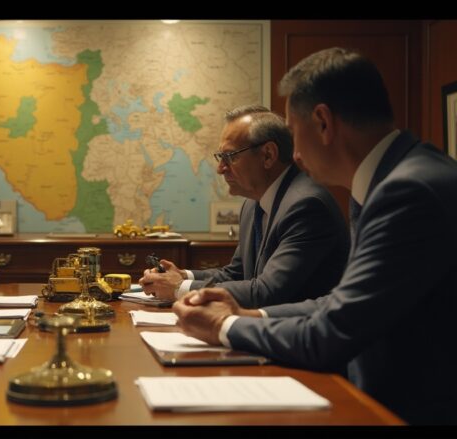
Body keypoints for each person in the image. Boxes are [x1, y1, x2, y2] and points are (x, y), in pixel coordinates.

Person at [173, 47, 457, 424]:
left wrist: (225, 326)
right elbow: (341, 302)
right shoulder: (401, 175)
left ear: (322, 122)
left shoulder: (406, 192)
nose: (294, 150)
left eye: (292, 130)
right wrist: (247, 313)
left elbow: (332, 332)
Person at [140, 105, 349, 308]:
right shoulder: (253, 204)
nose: (221, 169)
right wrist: (183, 275)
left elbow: (268, 292)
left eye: (229, 157)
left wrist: (179, 288)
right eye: (220, 157)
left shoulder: (306, 206)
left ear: (268, 155)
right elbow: (236, 274)